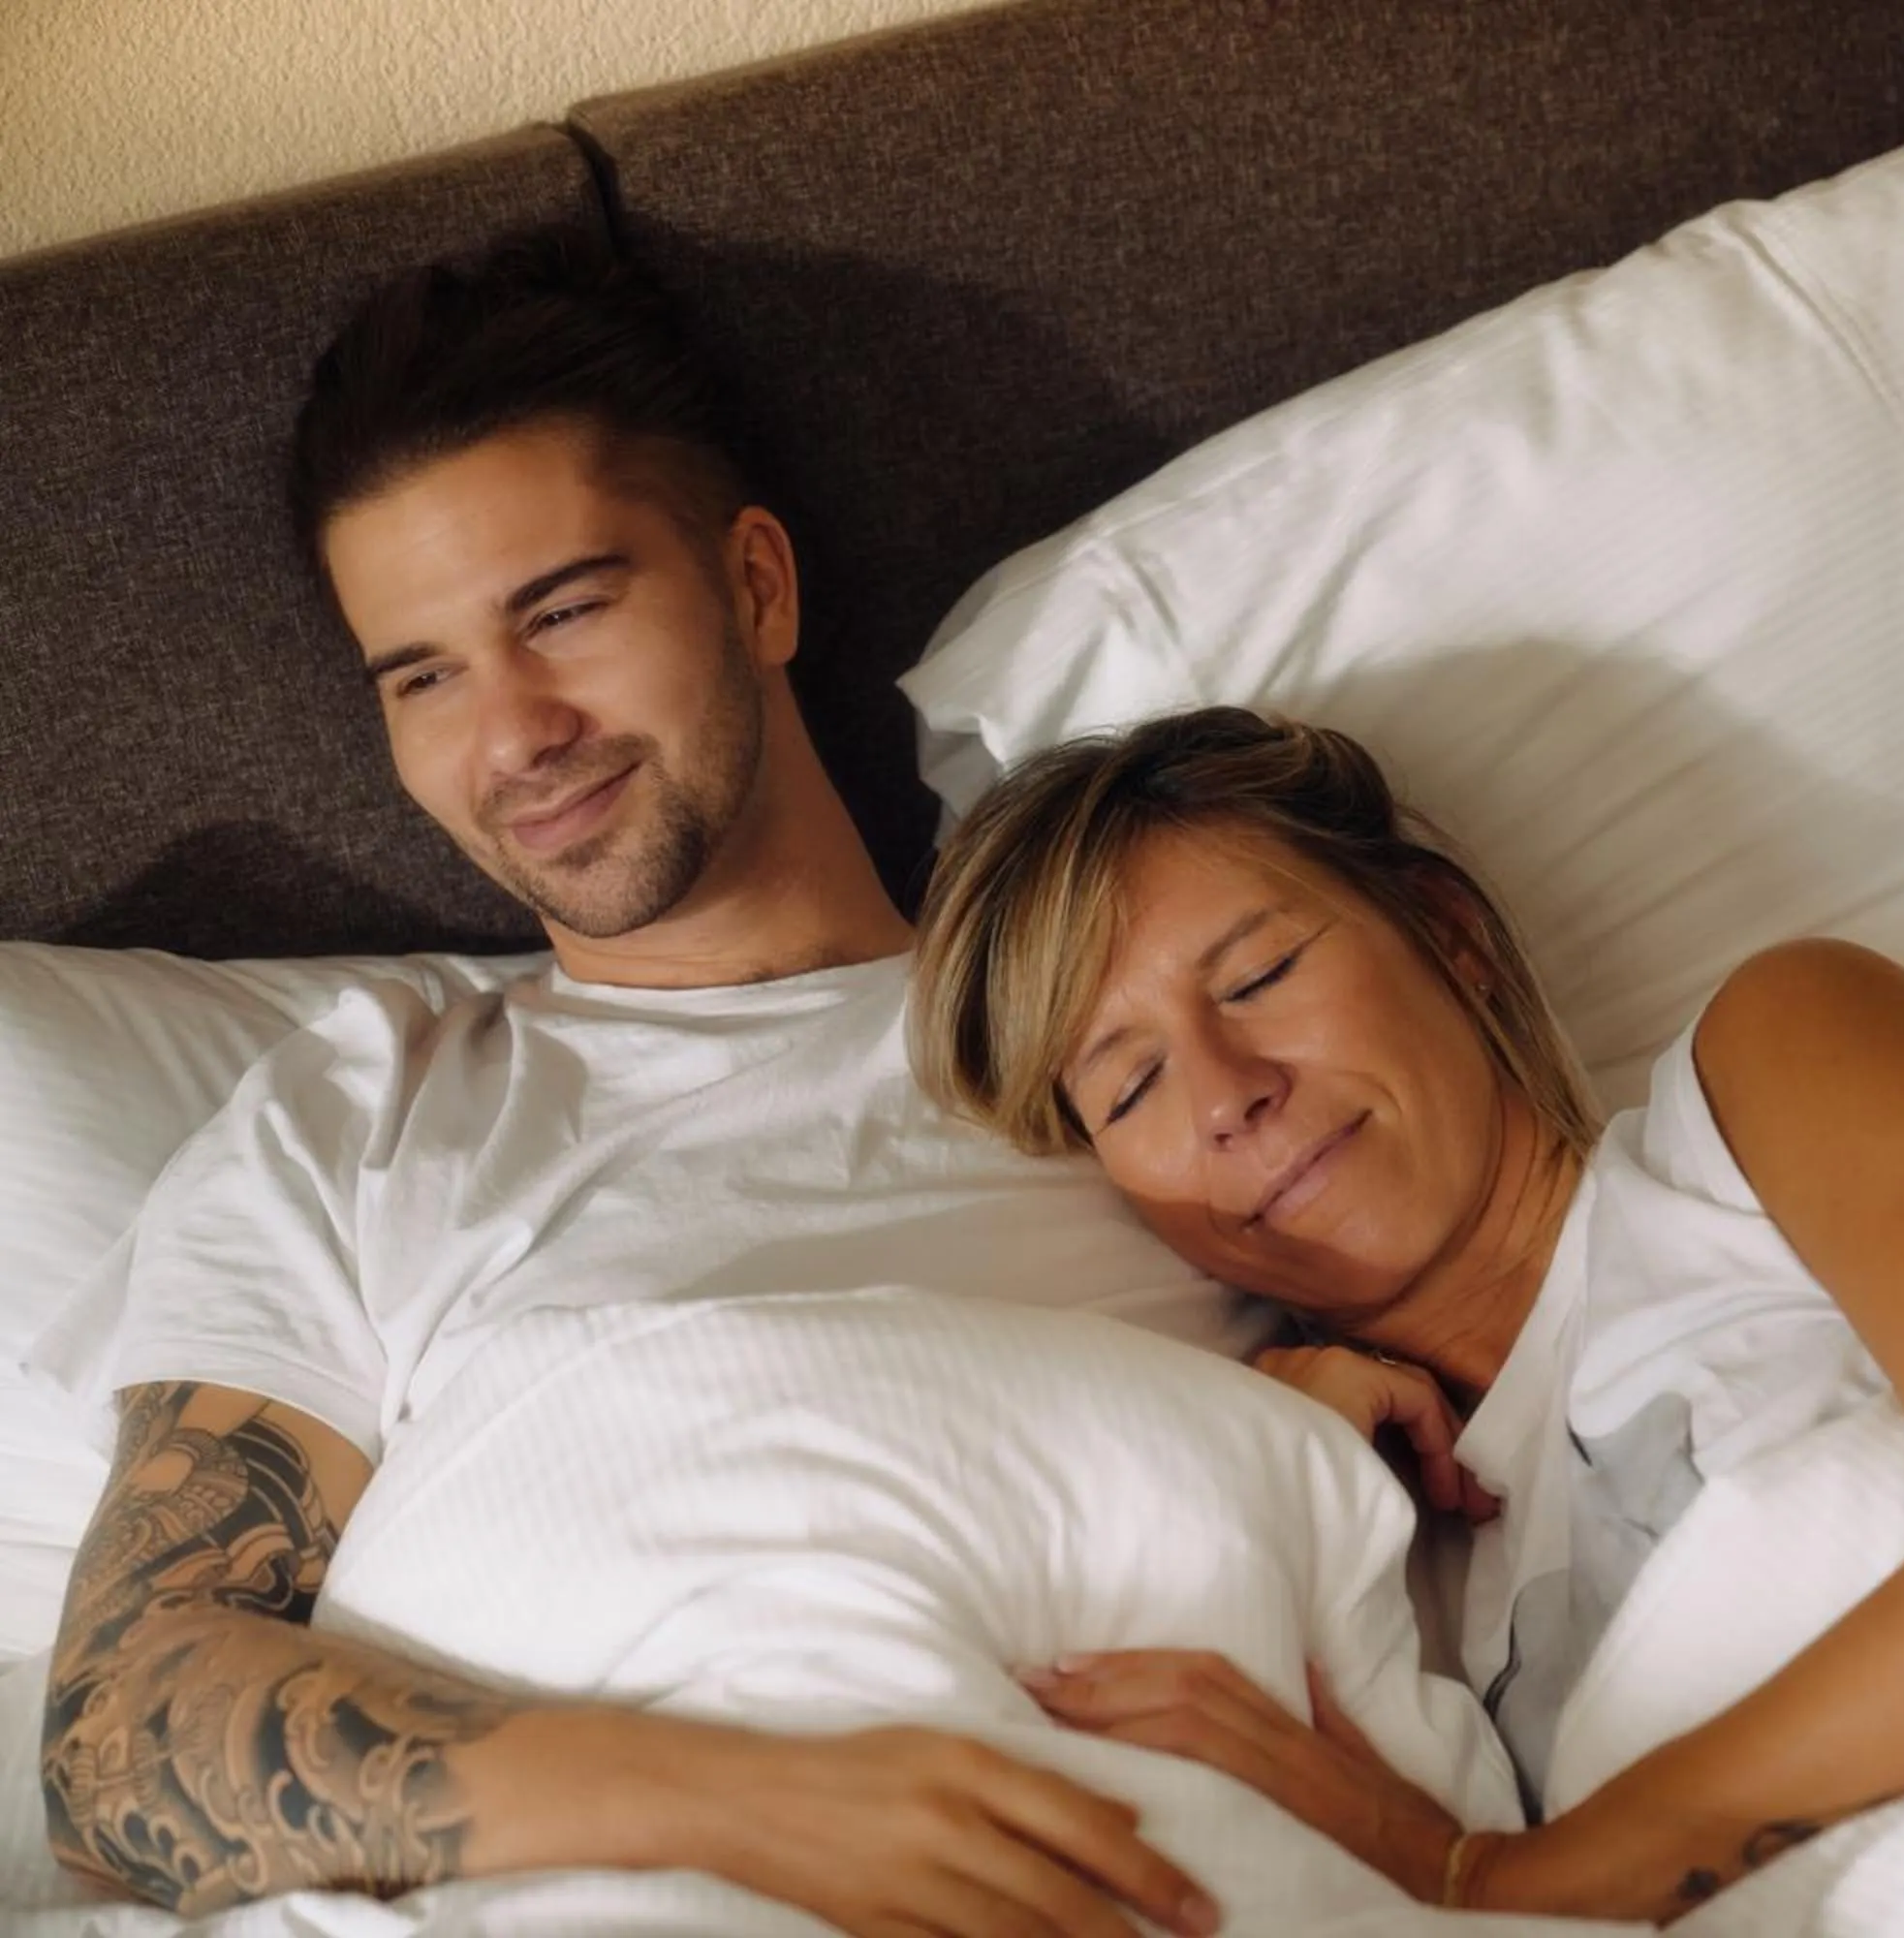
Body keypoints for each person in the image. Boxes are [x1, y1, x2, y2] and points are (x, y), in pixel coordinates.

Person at [33, 230, 1236, 1938]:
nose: (513, 734)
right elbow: (114, 1746)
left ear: (757, 587)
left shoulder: (1116, 997)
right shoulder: (363, 1117)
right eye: (425, 676)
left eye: (565, 613)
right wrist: (754, 1807)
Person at [909, 705, 1904, 1924]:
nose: (1227, 1093)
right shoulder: (1330, 1561)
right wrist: (1254, 1475)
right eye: (1132, 1087)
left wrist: (1502, 1883)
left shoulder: (1767, 1077)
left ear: (1450, 936)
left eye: (1262, 975)